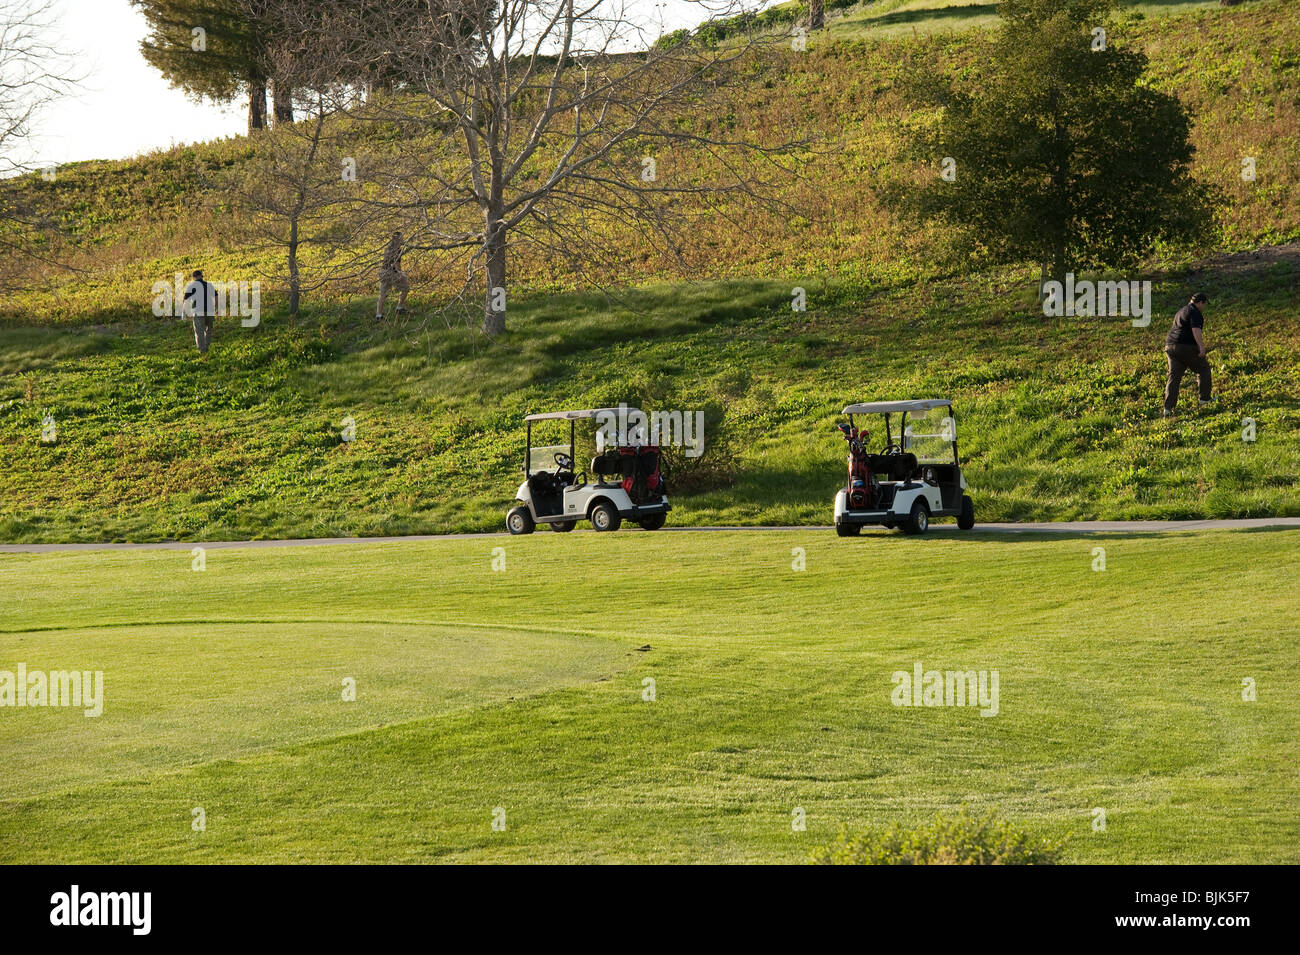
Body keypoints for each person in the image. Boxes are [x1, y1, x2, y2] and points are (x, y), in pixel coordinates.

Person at [1162, 292, 1213, 417]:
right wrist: (1201, 347)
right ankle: (1204, 399)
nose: (1204, 307)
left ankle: (1168, 409)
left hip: (1170, 346)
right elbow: (1196, 330)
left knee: (1174, 377)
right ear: (1201, 302)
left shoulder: (1181, 311)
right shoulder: (1195, 312)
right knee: (1203, 369)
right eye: (1204, 305)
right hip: (1185, 346)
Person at [376, 231, 410, 320]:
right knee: (406, 287)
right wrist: (401, 274)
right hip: (391, 273)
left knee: (382, 294)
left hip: (383, 272)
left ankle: (379, 315)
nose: (403, 239)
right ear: (398, 239)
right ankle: (399, 307)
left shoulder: (388, 248)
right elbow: (396, 264)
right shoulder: (397, 249)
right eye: (401, 238)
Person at [182, 269, 217, 354]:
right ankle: (207, 346)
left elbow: (186, 300)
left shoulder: (191, 286)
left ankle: (202, 350)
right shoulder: (208, 285)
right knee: (209, 330)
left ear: (193, 277)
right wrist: (216, 308)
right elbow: (216, 297)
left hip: (198, 311)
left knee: (199, 331)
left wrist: (184, 313)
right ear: (202, 276)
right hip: (209, 311)